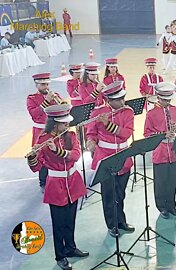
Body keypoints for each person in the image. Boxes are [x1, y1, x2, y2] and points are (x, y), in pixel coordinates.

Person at [27, 104, 88, 270]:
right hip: (56, 186)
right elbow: (36, 167)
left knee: (70, 220)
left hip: (73, 182)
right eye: (63, 123)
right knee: (58, 224)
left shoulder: (71, 135)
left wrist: (58, 151)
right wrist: (32, 157)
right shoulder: (42, 140)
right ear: (54, 123)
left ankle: (71, 247)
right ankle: (60, 255)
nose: (67, 125)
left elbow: (75, 155)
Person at [86, 81, 135, 237]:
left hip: (123, 158)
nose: (122, 102)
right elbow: (91, 133)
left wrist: (107, 124)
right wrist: (91, 142)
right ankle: (112, 225)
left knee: (120, 194)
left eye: (123, 98)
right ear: (108, 100)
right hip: (105, 158)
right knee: (108, 195)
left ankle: (121, 221)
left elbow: (126, 134)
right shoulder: (97, 113)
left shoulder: (128, 112)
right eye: (117, 100)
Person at [144, 82, 176, 219]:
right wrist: (162, 134)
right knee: (161, 182)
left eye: (169, 99)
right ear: (158, 98)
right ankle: (162, 207)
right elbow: (147, 134)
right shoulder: (151, 113)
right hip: (160, 150)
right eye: (165, 100)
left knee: (173, 180)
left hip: (173, 149)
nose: (167, 102)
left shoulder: (175, 110)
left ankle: (172, 205)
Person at [26, 73, 63, 192]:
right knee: (41, 154)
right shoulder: (31, 98)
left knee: (54, 152)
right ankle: (43, 181)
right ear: (36, 85)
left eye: (47, 84)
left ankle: (56, 177)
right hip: (40, 130)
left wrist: (57, 102)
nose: (46, 87)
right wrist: (46, 101)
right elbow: (34, 114)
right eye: (42, 84)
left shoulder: (55, 95)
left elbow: (63, 108)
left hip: (53, 130)